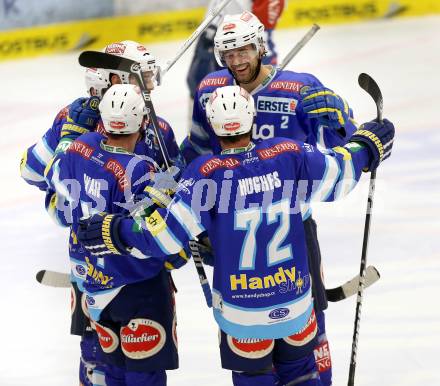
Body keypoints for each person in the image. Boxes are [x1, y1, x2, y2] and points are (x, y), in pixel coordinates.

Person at [77, 85, 395, 386]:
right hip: (296, 305)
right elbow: (341, 173)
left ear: (214, 127)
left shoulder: (205, 173)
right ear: (252, 118)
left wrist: (114, 230)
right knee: (302, 377)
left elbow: (164, 239)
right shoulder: (290, 155)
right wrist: (367, 144)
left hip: (242, 316)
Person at [181, 11, 359, 384]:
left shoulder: (300, 89)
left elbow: (341, 145)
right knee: (248, 335)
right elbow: (197, 149)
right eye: (229, 54)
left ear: (259, 46)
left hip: (291, 224)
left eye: (244, 50)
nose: (237, 61)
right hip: (231, 224)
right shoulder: (211, 88)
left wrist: (341, 116)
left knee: (308, 326)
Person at [20, 41, 185, 386]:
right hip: (91, 265)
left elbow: (177, 183)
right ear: (116, 79)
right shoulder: (74, 117)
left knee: (133, 361)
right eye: (145, 78)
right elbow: (31, 172)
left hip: (138, 264)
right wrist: (67, 140)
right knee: (95, 356)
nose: (152, 84)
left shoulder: (159, 128)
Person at [186, 1, 285, 100]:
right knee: (198, 84)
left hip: (242, 38)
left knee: (253, 87)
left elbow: (264, 28)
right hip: (214, 34)